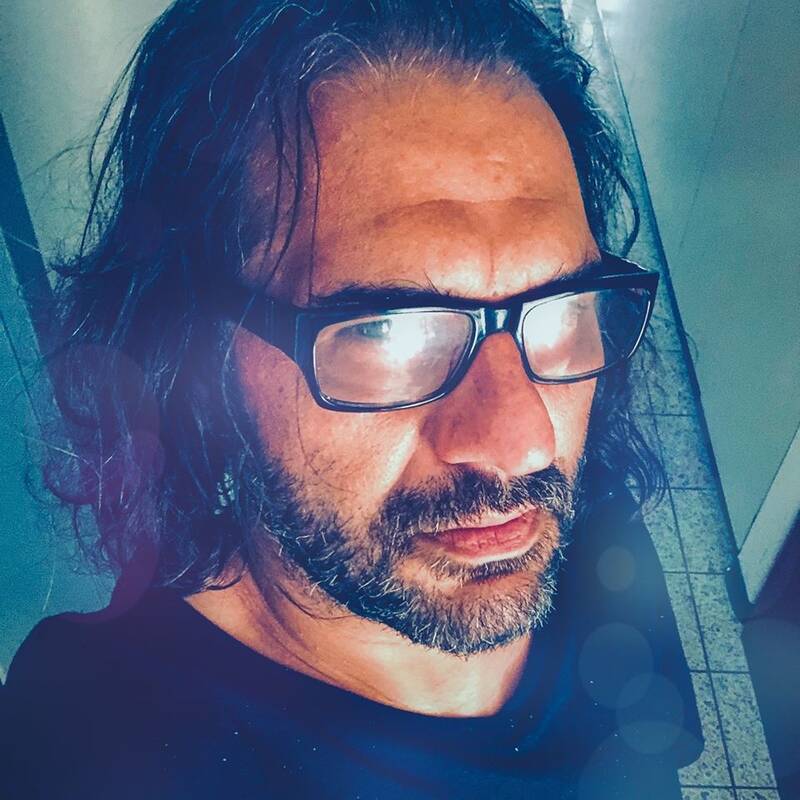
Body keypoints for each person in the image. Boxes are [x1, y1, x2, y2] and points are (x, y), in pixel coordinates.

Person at [1, 1, 703, 797]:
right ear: (196, 349)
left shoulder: (590, 524)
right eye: (384, 333)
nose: (524, 442)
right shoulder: (93, 743)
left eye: (563, 309)